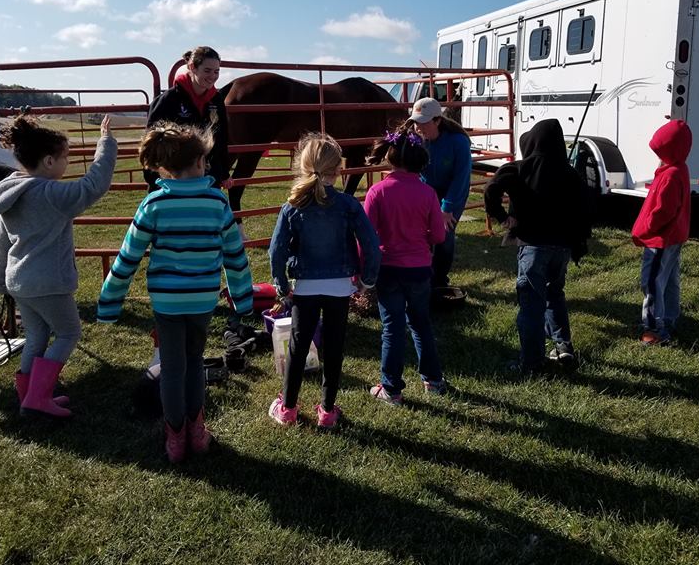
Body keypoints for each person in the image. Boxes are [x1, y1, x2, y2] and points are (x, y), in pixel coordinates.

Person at [97, 122, 253, 463]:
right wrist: (243, 299)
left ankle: (175, 438)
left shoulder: (153, 205)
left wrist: (110, 302)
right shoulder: (217, 203)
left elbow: (128, 257)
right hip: (202, 299)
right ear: (198, 162)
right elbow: (235, 256)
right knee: (195, 362)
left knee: (171, 366)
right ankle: (197, 435)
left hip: (167, 301)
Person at [0, 114, 117, 417]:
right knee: (68, 333)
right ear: (48, 161)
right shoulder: (50, 193)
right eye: (64, 157)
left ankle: (29, 396)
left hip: (20, 282)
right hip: (48, 282)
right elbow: (94, 185)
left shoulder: (10, 191)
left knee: (37, 337)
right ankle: (38, 397)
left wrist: (3, 277)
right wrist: (105, 142)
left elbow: (3, 240)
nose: (67, 163)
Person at [267, 133, 380, 428]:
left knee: (298, 346)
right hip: (340, 286)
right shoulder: (348, 205)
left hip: (304, 286)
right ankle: (328, 410)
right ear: (338, 169)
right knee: (334, 346)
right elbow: (370, 244)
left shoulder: (292, 207)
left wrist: (281, 285)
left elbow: (276, 250)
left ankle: (288, 408)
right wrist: (367, 280)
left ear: (303, 166)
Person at [483, 119, 593, 377]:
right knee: (555, 294)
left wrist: (502, 217)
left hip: (533, 247)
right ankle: (563, 346)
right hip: (562, 248)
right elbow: (585, 209)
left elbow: (491, 188)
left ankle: (531, 363)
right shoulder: (570, 174)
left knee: (532, 304)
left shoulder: (520, 168)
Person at [364, 126, 448, 404]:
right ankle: (433, 380)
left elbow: (365, 235)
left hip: (388, 268)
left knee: (392, 326)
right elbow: (438, 235)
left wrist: (362, 268)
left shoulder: (377, 192)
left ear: (390, 157)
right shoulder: (428, 193)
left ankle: (391, 388)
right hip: (420, 268)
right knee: (421, 323)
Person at [631, 119, 692, 346]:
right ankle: (669, 318)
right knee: (669, 280)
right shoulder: (679, 170)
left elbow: (662, 211)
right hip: (674, 237)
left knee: (652, 281)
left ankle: (655, 330)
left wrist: (647, 228)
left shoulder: (670, 176)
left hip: (660, 238)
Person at [144, 46, 231, 191]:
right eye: (207, 70)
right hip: (174, 178)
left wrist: (224, 172)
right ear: (192, 67)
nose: (213, 76)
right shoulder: (169, 100)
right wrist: (154, 181)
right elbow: (152, 141)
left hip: (208, 178)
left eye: (216, 71)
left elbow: (221, 137)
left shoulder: (216, 100)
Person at [409, 97, 473, 291]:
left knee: (444, 233)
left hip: (452, 191)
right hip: (427, 190)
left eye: (423, 122)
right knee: (422, 231)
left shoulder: (458, 142)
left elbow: (461, 177)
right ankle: (423, 274)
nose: (418, 127)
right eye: (415, 122)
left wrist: (447, 208)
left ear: (437, 120)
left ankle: (440, 279)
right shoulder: (418, 140)